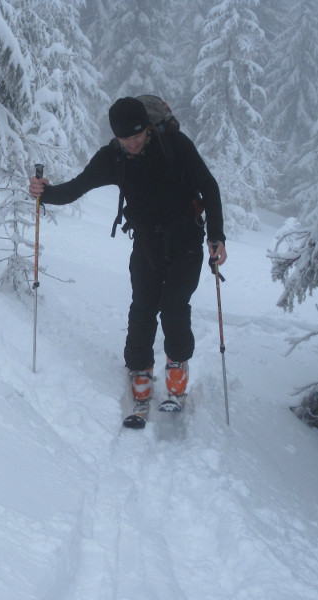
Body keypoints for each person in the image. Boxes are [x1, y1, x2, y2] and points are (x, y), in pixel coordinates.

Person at [28, 96, 226, 413]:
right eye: (125, 139)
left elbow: (209, 186)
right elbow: (78, 187)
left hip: (186, 238)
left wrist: (216, 235)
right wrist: (45, 193)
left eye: (137, 136)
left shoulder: (173, 144)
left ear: (148, 128)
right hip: (147, 240)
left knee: (174, 303)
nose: (132, 144)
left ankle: (177, 364)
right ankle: (139, 367)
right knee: (144, 304)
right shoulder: (113, 158)